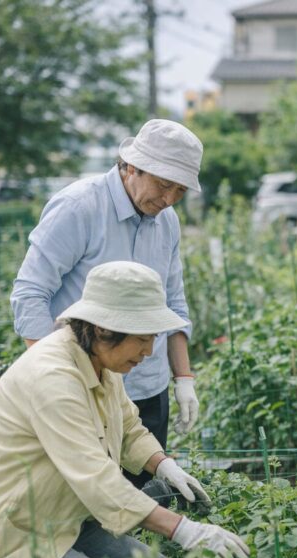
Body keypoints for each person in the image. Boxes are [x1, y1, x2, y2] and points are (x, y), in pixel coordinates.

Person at [0, 261, 249, 558]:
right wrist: (184, 530)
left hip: (70, 519)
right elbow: (96, 478)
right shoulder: (53, 377)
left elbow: (130, 428)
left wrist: (163, 466)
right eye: (142, 339)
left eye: (154, 338)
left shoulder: (101, 361)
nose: (149, 351)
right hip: (11, 531)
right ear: (103, 328)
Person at [11, 119, 202, 487]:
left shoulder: (168, 221)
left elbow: (174, 303)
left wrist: (184, 378)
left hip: (148, 388)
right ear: (132, 166)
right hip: (84, 390)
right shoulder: (79, 207)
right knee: (83, 508)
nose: (168, 200)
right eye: (163, 185)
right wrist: (52, 378)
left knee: (136, 504)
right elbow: (30, 293)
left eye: (179, 191)